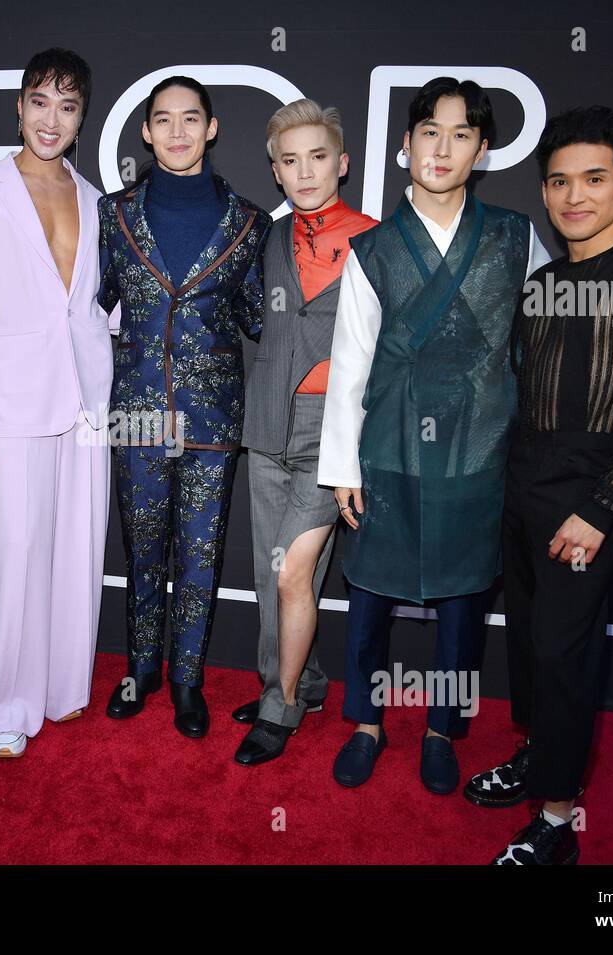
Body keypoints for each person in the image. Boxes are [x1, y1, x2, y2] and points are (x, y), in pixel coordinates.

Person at [471, 106, 613, 864]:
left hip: (589, 493)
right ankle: (541, 758)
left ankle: (560, 821)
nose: (575, 196)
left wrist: (602, 506)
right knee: (533, 647)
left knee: (565, 654)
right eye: (560, 181)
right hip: (522, 484)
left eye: (594, 179)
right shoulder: (545, 280)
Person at [318, 77, 551, 792]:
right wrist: (342, 467)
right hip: (386, 442)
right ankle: (366, 720)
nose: (442, 147)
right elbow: (350, 362)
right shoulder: (374, 248)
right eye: (429, 131)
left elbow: (539, 347)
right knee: (369, 596)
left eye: (460, 134)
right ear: (405, 144)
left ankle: (443, 729)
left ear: (482, 149)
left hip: (479, 447)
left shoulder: (517, 238)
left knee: (463, 602)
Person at [0, 48, 115, 758]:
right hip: (10, 401)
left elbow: (100, 307)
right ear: (19, 107)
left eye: (68, 106)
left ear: (81, 118)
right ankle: (6, 708)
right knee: (14, 555)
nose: (52, 119)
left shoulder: (95, 199)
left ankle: (61, 685)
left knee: (77, 546)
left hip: (86, 397)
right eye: (40, 102)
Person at [99, 76, 271, 738]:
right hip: (137, 412)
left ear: (211, 127)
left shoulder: (251, 224)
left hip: (211, 420)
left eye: (189, 118)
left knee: (201, 557)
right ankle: (140, 669)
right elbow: (92, 305)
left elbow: (259, 317)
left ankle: (187, 680)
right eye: (163, 120)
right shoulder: (113, 217)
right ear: (145, 131)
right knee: (142, 552)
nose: (176, 131)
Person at [233, 99, 378, 765]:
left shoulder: (378, 239)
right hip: (268, 420)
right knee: (275, 575)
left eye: (318, 156)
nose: (306, 170)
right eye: (290, 161)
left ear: (341, 162)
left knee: (295, 570)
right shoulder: (264, 237)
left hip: (336, 431)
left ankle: (278, 705)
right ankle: (302, 682)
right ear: (276, 171)